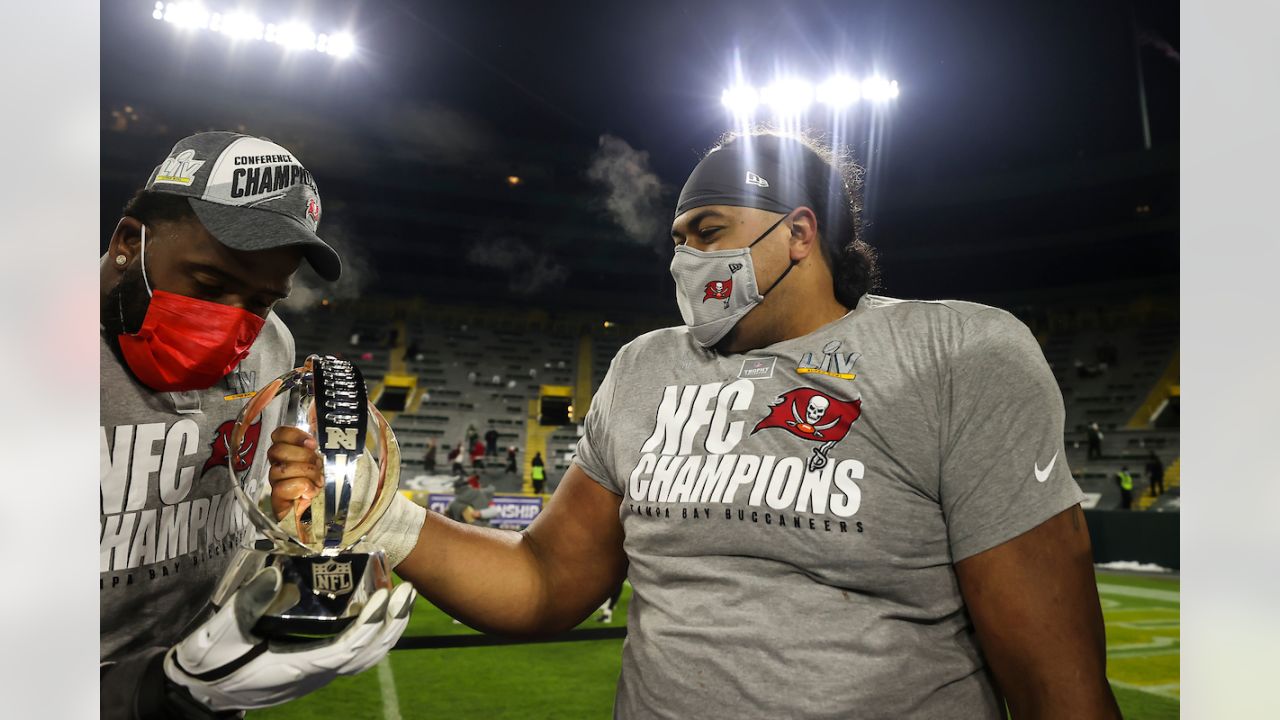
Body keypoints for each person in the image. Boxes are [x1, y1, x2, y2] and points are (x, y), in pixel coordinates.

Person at [268, 130, 1118, 717]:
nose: (686, 258)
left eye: (709, 231)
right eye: (676, 240)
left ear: (799, 233)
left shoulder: (954, 351)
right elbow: (542, 583)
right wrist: (385, 517)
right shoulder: (646, 367)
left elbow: (1060, 691)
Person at [100, 132, 425, 718]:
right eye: (209, 284)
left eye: (260, 300)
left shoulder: (271, 348)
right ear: (129, 240)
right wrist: (157, 691)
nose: (232, 324)